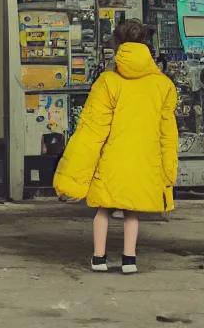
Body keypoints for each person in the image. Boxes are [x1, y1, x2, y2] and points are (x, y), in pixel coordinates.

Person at [53, 19, 179, 274]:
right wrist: (168, 171)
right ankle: (129, 260)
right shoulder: (163, 85)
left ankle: (99, 258)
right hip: (145, 159)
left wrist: (72, 174)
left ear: (117, 46)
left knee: (103, 209)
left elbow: (92, 130)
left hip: (110, 157)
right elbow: (168, 133)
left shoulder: (107, 82)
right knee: (132, 211)